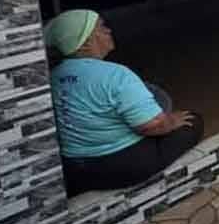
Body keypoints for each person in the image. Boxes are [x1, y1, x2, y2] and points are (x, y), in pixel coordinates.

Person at [44, 10, 203, 197]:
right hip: (119, 166)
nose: (109, 31)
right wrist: (170, 123)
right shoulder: (115, 75)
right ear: (85, 42)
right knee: (193, 121)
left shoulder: (54, 76)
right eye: (102, 27)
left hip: (73, 168)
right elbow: (151, 126)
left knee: (144, 96)